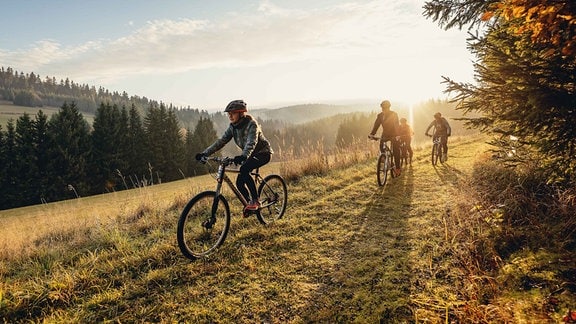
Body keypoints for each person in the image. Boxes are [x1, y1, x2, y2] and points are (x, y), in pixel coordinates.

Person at [195, 100, 273, 214]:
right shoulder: (233, 127)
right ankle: (249, 205)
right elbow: (221, 142)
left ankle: (256, 201)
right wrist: (205, 153)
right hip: (250, 155)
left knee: (244, 169)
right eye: (228, 114)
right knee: (239, 183)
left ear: (241, 113)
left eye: (233, 113)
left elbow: (251, 142)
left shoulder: (252, 124)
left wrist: (243, 156)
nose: (230, 116)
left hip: (263, 153)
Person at [368, 100, 401, 176]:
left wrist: (398, 135)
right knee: (381, 147)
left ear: (389, 107)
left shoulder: (394, 114)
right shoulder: (380, 116)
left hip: (394, 134)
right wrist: (372, 134)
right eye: (382, 108)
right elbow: (376, 125)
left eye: (385, 108)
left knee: (396, 150)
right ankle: (387, 160)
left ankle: (398, 168)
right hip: (385, 134)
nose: (383, 110)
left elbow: (396, 125)